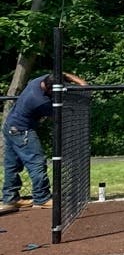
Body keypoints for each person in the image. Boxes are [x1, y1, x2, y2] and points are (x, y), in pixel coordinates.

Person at [2, 72, 86, 211]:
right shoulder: (40, 101)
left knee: (12, 165)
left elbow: (63, 73)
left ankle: (10, 199)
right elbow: (60, 115)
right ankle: (42, 198)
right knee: (36, 162)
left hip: (11, 126)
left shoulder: (40, 79)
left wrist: (82, 83)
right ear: (49, 89)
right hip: (22, 130)